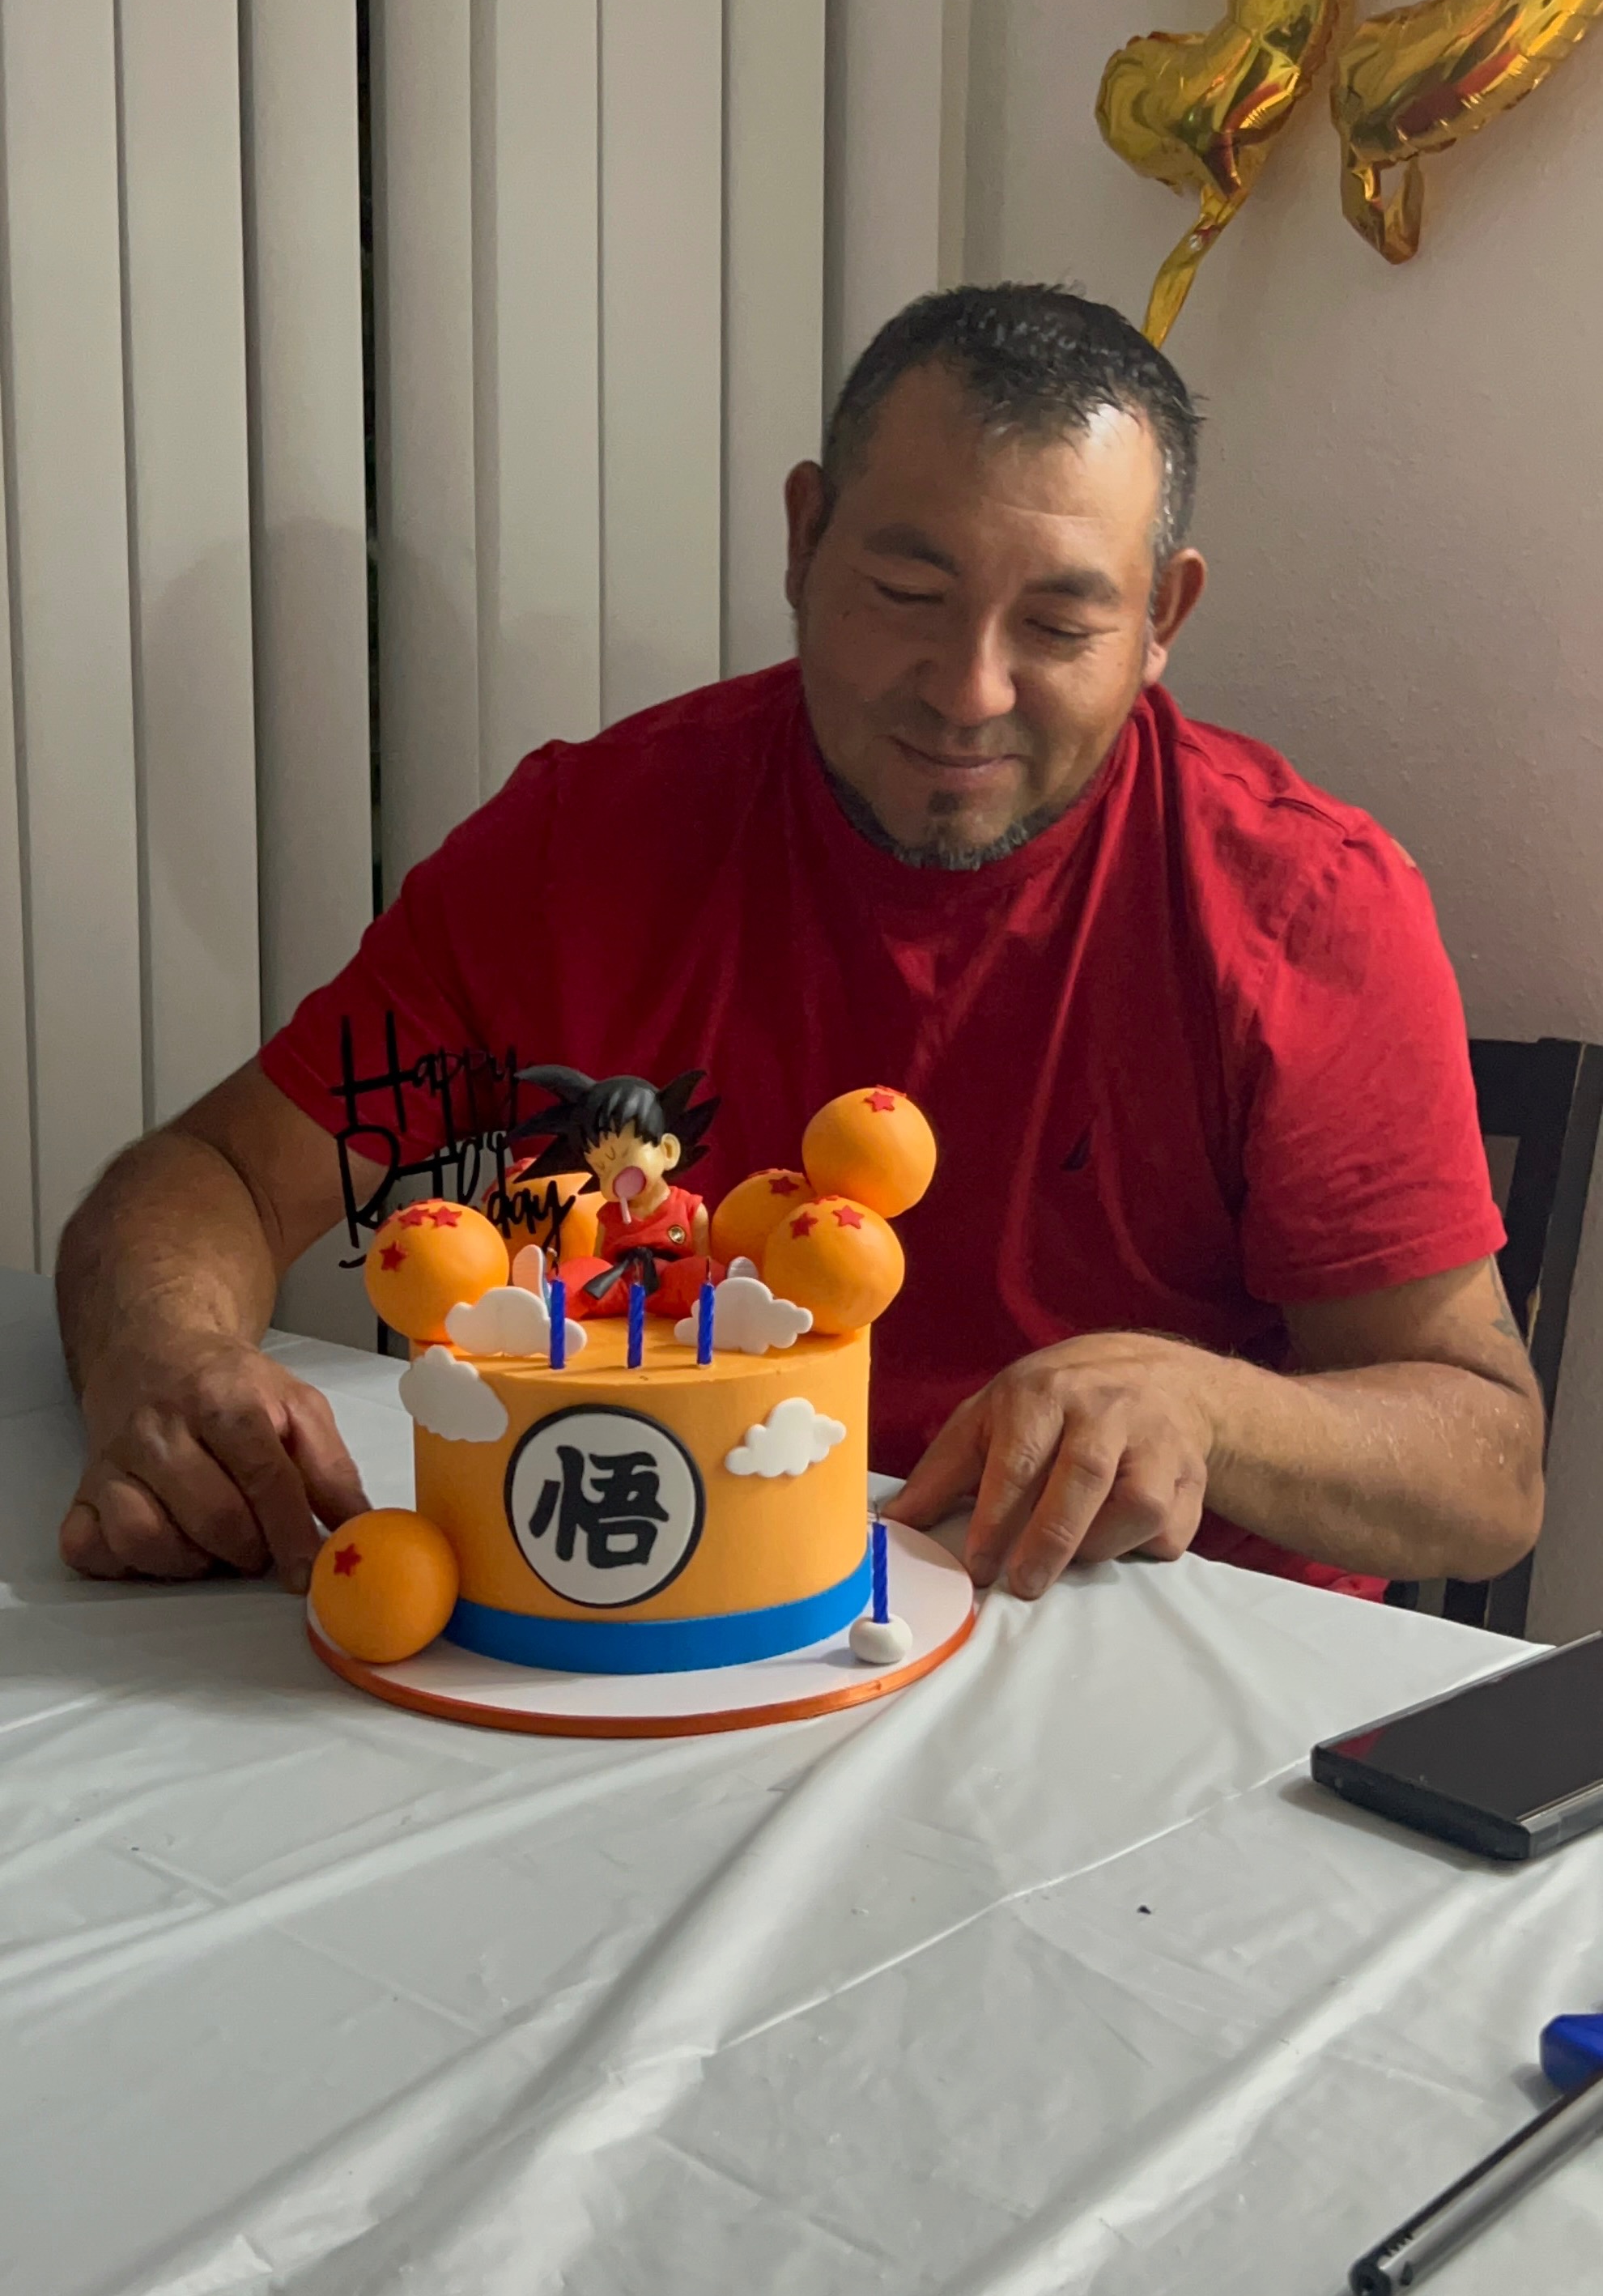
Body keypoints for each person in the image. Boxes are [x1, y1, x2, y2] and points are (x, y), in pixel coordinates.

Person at [55, 285, 1542, 1605]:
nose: (968, 691)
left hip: (1131, 1657)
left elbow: (1486, 1471)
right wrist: (168, 1362)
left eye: (1058, 627)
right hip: (663, 1620)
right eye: (908, 595)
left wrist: (1206, 1407)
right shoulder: (582, 849)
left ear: (1164, 617)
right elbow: (219, 1178)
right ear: (803, 538)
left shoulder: (1297, 909)